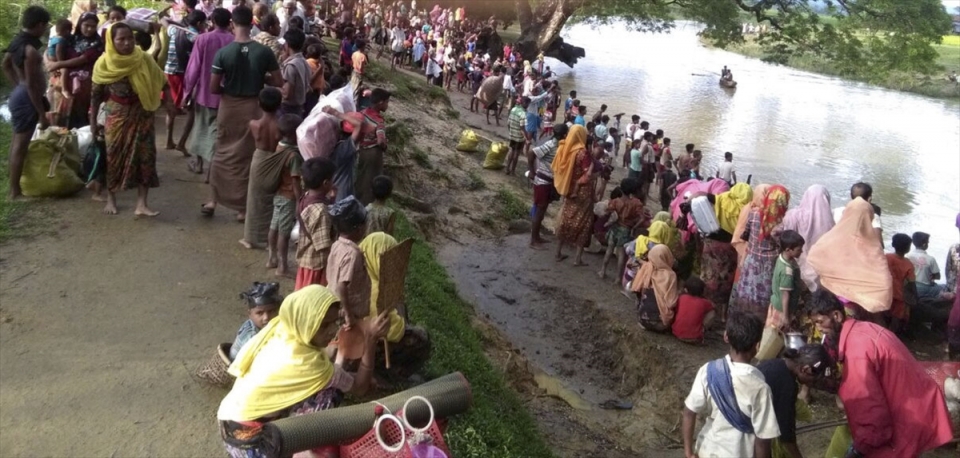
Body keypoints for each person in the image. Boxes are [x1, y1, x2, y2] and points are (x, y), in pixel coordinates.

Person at [218, 285, 389, 458]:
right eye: (323, 325)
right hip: (249, 439)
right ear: (306, 322)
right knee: (329, 393)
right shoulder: (310, 364)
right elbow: (359, 388)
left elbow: (334, 370)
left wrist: (349, 368)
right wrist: (370, 339)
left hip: (229, 421)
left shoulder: (283, 331)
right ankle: (305, 449)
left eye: (334, 322)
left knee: (330, 383)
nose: (333, 330)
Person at [807, 289, 954, 458]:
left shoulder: (857, 351)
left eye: (819, 322)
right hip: (914, 408)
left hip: (906, 418)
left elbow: (873, 416)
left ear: (836, 316)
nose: (818, 329)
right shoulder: (862, 329)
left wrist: (858, 450)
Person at [203, 6, 281, 221]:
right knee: (247, 156)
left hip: (229, 107)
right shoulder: (264, 52)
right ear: (253, 23)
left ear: (232, 24)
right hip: (253, 107)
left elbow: (213, 87)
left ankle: (212, 200)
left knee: (221, 152)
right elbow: (277, 81)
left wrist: (228, 90)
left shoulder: (223, 53)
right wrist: (259, 78)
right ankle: (242, 209)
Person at [90, 22, 173, 216]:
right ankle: (111, 199)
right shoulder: (103, 64)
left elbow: (162, 81)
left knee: (145, 158)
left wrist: (169, 103)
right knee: (113, 157)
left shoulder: (143, 58)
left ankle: (141, 204)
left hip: (142, 114)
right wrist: (93, 123)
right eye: (121, 39)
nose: (127, 43)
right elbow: (94, 97)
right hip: (116, 116)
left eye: (130, 38)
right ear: (112, 41)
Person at [682, 311, 780, 458]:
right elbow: (762, 439)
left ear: (726, 336)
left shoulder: (709, 370)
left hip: (707, 450)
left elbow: (689, 412)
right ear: (757, 345)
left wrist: (688, 452)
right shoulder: (760, 388)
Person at [359, 232, 432, 382]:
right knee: (420, 338)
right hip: (363, 350)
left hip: (344, 347)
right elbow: (396, 332)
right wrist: (400, 313)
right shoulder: (376, 292)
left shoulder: (353, 272)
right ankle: (389, 375)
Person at [807, 198, 892, 315]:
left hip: (834, 297)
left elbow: (814, 257)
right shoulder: (873, 247)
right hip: (861, 301)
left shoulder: (832, 238)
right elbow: (883, 283)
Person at [2, 6, 51, 200]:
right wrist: (41, 113)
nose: (45, 29)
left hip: (20, 95)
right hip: (27, 98)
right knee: (21, 145)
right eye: (45, 26)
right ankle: (14, 191)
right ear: (39, 25)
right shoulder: (29, 50)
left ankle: (13, 188)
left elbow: (5, 65)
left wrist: (17, 86)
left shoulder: (16, 42)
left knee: (17, 142)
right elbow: (31, 84)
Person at [756, 345, 833, 458]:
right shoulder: (787, 385)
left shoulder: (774, 363)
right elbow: (786, 434)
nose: (811, 384)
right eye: (813, 380)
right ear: (805, 369)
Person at [183, 7, 233, 176]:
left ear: (212, 21)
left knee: (200, 128)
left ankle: (198, 163)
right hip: (225, 94)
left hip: (204, 92)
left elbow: (193, 68)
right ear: (229, 23)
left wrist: (187, 92)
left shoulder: (203, 39)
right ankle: (212, 168)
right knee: (216, 132)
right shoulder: (233, 41)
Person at [729, 185, 790, 319]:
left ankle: (741, 321)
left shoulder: (754, 213)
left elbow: (745, 235)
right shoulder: (782, 221)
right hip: (769, 265)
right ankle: (758, 326)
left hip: (751, 259)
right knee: (763, 296)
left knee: (747, 292)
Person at [239, 88, 282, 249]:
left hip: (259, 160)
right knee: (273, 201)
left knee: (254, 199)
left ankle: (250, 238)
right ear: (279, 105)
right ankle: (271, 239)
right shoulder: (281, 126)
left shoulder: (254, 124)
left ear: (259, 104)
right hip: (276, 160)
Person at [703, 183, 752, 320]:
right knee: (725, 280)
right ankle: (722, 315)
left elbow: (702, 197)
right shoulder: (747, 210)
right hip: (729, 247)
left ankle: (705, 308)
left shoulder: (722, 199)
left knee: (708, 276)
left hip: (711, 243)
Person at [756, 230, 804, 361]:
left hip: (775, 305)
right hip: (783, 309)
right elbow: (786, 295)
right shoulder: (787, 271)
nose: (802, 252)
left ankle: (766, 356)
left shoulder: (782, 259)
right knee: (779, 338)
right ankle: (771, 359)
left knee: (771, 334)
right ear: (789, 249)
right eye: (799, 249)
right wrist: (786, 316)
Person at [552, 125, 595, 266]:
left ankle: (557, 252)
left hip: (568, 189)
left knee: (566, 218)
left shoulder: (564, 149)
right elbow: (587, 175)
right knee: (583, 223)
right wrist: (594, 171)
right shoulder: (582, 153)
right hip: (583, 194)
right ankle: (577, 258)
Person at [163, 10, 204, 156]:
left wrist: (177, 22)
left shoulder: (174, 30)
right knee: (190, 110)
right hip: (181, 74)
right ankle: (181, 143)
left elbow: (164, 21)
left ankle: (169, 140)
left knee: (171, 107)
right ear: (199, 23)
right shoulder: (195, 36)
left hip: (168, 71)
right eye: (204, 23)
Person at [326, 197, 372, 327]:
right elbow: (342, 285)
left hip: (334, 301)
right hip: (348, 309)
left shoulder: (337, 244)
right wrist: (348, 314)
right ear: (359, 229)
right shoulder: (352, 254)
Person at [780, 184, 834, 292]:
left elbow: (786, 236)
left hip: (797, 264)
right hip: (821, 272)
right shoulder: (831, 221)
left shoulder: (793, 216)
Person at [295, 157, 336, 291]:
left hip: (306, 259)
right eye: (332, 179)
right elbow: (323, 245)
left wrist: (331, 199)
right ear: (325, 183)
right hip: (317, 264)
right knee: (314, 298)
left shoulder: (306, 196)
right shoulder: (321, 211)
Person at [598, 178, 645, 281]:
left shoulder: (616, 201)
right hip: (626, 230)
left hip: (615, 228)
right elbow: (642, 218)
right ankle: (618, 278)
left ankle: (602, 271)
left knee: (609, 250)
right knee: (621, 254)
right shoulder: (636, 203)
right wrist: (634, 227)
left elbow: (607, 211)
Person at [528, 124, 567, 247]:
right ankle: (533, 240)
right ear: (564, 135)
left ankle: (537, 237)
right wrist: (532, 171)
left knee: (542, 210)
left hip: (547, 181)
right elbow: (531, 152)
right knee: (540, 210)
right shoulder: (551, 144)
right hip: (542, 181)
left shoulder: (557, 145)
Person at [631, 244, 679, 332]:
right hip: (661, 325)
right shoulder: (670, 275)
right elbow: (671, 302)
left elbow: (637, 290)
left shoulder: (646, 268)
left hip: (642, 320)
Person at [229, 282, 283, 360]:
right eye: (259, 313)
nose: (266, 318)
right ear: (250, 314)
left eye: (271, 311)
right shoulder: (250, 337)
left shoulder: (276, 323)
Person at [355, 88, 390, 205]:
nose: (387, 105)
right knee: (370, 182)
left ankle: (356, 202)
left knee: (360, 180)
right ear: (380, 102)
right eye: (387, 102)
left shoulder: (363, 112)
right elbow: (380, 141)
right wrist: (385, 145)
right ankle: (366, 206)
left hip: (360, 150)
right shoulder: (379, 121)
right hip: (373, 154)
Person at [321, 106, 364, 202]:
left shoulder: (338, 145)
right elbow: (358, 125)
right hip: (341, 196)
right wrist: (336, 113)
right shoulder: (344, 148)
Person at [832, 182, 883, 247]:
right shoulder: (873, 216)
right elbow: (879, 245)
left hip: (838, 249)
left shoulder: (836, 211)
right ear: (869, 198)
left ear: (850, 196)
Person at [907, 232, 954, 301]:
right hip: (925, 288)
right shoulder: (930, 259)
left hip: (911, 287)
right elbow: (938, 276)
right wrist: (932, 276)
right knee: (943, 287)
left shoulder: (907, 256)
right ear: (924, 244)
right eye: (928, 242)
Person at [885, 233, 916, 333]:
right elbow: (912, 283)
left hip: (886, 292)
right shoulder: (908, 264)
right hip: (899, 295)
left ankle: (883, 332)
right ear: (908, 248)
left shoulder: (886, 257)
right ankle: (893, 335)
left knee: (884, 314)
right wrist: (915, 296)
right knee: (896, 317)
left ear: (893, 244)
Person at [671, 276, 716, 344]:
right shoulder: (704, 302)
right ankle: (702, 329)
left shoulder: (681, 298)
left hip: (676, 333)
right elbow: (714, 307)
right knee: (712, 312)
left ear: (686, 290)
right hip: (695, 338)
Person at [279, 29, 310, 117]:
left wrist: (274, 88)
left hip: (287, 108)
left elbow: (287, 94)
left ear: (287, 45)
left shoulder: (291, 66)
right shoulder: (303, 61)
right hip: (299, 107)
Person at [506, 96, 528, 176]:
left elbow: (508, 123)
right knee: (516, 153)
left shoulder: (513, 109)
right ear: (524, 103)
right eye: (527, 104)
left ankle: (507, 168)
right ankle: (512, 171)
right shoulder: (523, 113)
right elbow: (522, 128)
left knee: (511, 150)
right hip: (519, 137)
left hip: (512, 134)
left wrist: (510, 131)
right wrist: (526, 138)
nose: (527, 105)